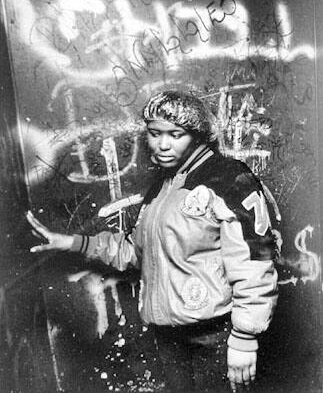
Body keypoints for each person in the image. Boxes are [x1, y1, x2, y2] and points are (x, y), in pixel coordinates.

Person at [27, 90, 278, 392]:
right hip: (168, 335)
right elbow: (135, 252)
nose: (163, 144)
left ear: (196, 135)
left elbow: (255, 258)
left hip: (215, 333)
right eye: (155, 133)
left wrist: (245, 337)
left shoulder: (226, 178)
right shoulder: (163, 189)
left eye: (176, 134)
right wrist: (74, 243)